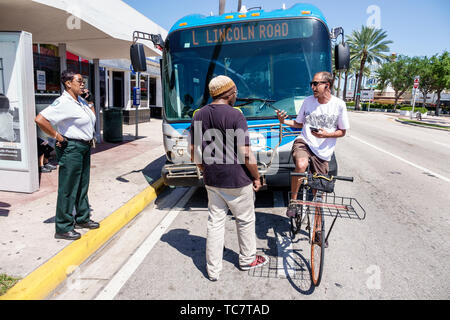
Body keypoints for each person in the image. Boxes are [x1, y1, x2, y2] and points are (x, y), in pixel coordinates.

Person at [189, 75, 268, 281]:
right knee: (244, 220)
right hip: (237, 179)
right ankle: (247, 259)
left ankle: (213, 271)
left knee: (215, 222)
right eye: (235, 92)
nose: (237, 95)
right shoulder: (236, 115)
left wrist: (203, 168)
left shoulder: (199, 115)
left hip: (212, 179)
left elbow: (193, 150)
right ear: (229, 93)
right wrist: (257, 176)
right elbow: (246, 153)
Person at [35, 70, 99, 241]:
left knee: (82, 186)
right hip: (71, 147)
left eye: (83, 81)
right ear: (68, 83)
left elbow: (92, 118)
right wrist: (57, 136)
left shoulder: (80, 101)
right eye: (79, 81)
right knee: (68, 188)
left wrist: (90, 101)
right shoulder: (63, 102)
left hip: (84, 147)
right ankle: (63, 227)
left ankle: (82, 218)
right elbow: (40, 119)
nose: (83, 83)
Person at [276, 71, 350, 217]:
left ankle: (317, 231)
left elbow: (342, 131)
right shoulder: (308, 101)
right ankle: (294, 201)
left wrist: (326, 134)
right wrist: (282, 120)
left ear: (327, 85)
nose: (313, 87)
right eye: (312, 84)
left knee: (318, 194)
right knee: (302, 164)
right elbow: (298, 124)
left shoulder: (339, 105)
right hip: (304, 141)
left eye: (316, 84)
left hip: (323, 151)